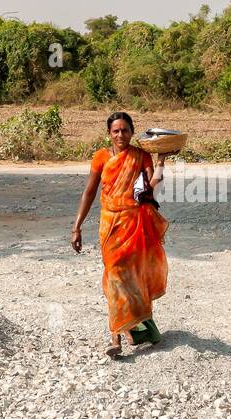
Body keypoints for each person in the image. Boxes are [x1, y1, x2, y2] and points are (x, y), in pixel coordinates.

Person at [71, 112, 169, 358]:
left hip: (133, 223)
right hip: (109, 225)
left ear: (132, 132)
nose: (120, 135)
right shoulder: (101, 158)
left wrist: (161, 164)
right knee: (114, 275)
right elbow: (89, 193)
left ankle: (129, 330)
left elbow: (149, 190)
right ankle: (117, 335)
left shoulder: (141, 156)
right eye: (115, 131)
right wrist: (77, 226)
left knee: (132, 278)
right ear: (109, 134)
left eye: (125, 130)